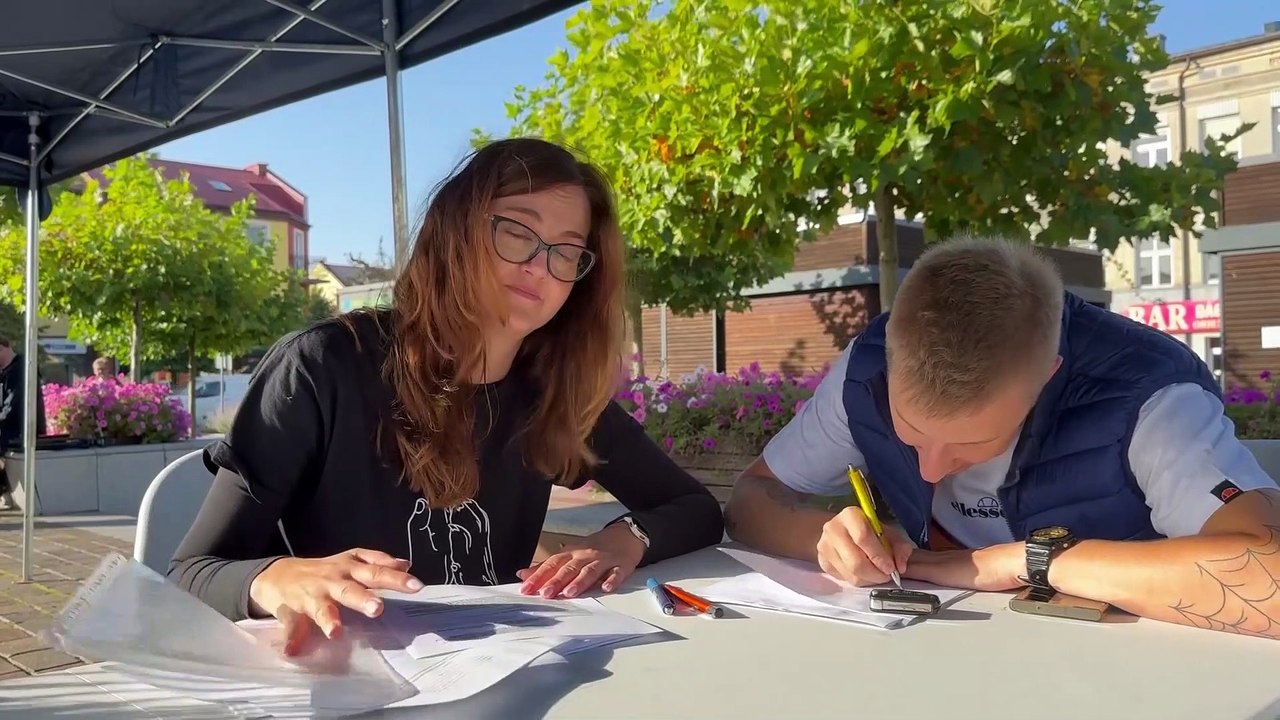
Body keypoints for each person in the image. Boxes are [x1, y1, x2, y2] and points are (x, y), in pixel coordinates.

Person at [170, 138, 724, 653]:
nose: (539, 265)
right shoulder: (323, 366)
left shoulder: (556, 390)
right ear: (455, 231)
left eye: (566, 251)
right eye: (517, 231)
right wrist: (275, 577)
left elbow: (695, 509)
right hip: (352, 675)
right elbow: (192, 571)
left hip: (508, 669)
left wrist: (624, 540)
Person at [724, 237, 1280, 639]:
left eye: (972, 443)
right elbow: (751, 500)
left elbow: (1269, 576)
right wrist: (822, 538)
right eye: (910, 433)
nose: (929, 470)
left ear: (1046, 377)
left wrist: (1027, 561)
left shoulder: (1152, 396)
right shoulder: (864, 369)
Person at [0, 337, 46, 509]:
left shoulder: (21, 370)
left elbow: (13, 407)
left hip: (21, 430)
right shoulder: (6, 372)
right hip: (9, 429)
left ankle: (4, 490)